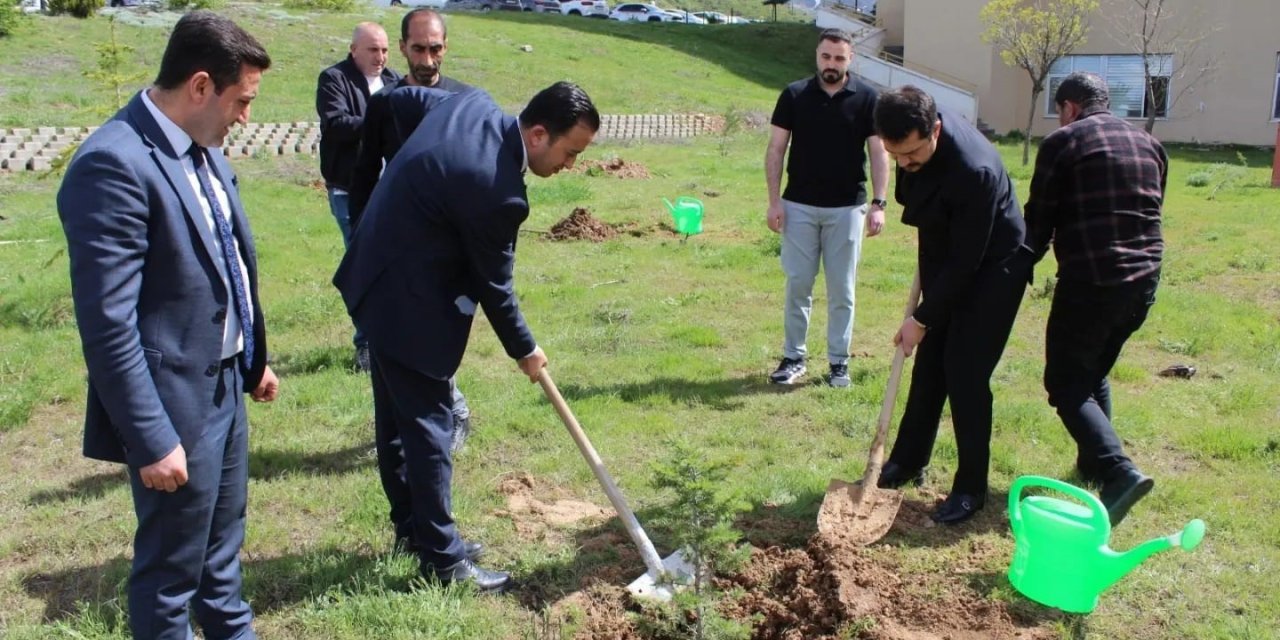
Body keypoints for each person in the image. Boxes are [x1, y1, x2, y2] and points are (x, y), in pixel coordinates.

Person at [55, 11, 279, 638]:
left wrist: (252, 355)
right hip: (175, 405)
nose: (246, 118)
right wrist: (151, 436)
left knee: (220, 555)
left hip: (224, 385)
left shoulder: (200, 148)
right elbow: (108, 323)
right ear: (201, 86)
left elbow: (223, 258)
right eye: (242, 101)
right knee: (170, 573)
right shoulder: (113, 164)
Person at [333, 82, 600, 591]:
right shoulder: (497, 189)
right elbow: (494, 286)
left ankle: (415, 533)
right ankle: (444, 562)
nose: (570, 166)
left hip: (375, 275)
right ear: (539, 133)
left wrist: (387, 176)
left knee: (396, 420)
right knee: (430, 429)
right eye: (570, 153)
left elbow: (392, 102)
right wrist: (526, 349)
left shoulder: (473, 103)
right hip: (406, 300)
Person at [872, 86, 1029, 525]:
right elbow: (927, 211)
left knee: (965, 374)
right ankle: (907, 460)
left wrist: (921, 318)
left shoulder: (972, 171)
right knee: (930, 367)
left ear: (935, 129)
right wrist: (927, 317)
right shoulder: (914, 141)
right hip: (950, 252)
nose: (904, 164)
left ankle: (971, 488)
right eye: (895, 155)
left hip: (994, 268)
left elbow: (968, 262)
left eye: (912, 154)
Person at [1024, 71, 1167, 527]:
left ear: (1068, 107)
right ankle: (1093, 463)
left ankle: (1118, 471)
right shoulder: (1149, 144)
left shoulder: (1064, 143)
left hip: (1093, 280)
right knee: (1093, 368)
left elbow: (1038, 221)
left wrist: (1014, 268)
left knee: (1065, 384)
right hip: (1144, 280)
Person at [765, 28, 889, 388]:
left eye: (839, 58)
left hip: (847, 209)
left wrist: (879, 204)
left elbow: (878, 153)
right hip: (798, 206)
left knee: (842, 290)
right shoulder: (793, 95)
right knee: (798, 284)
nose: (831, 64)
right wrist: (774, 201)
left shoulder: (868, 98)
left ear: (850, 60)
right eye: (825, 56)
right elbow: (775, 150)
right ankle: (793, 357)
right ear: (817, 56)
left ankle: (839, 362)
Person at [316, 21, 401, 371]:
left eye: (383, 50)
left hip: (392, 191)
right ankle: (366, 345)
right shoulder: (334, 79)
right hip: (351, 191)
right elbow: (335, 124)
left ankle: (393, 337)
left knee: (395, 265)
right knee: (363, 266)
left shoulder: (395, 81)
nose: (379, 57)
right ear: (354, 50)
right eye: (372, 49)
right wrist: (380, 121)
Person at [349, 8, 471, 225]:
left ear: (446, 46)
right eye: (418, 49)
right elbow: (365, 172)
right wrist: (359, 233)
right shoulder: (384, 102)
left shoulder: (464, 100)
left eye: (435, 49)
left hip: (451, 227)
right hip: (400, 225)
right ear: (403, 47)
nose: (427, 61)